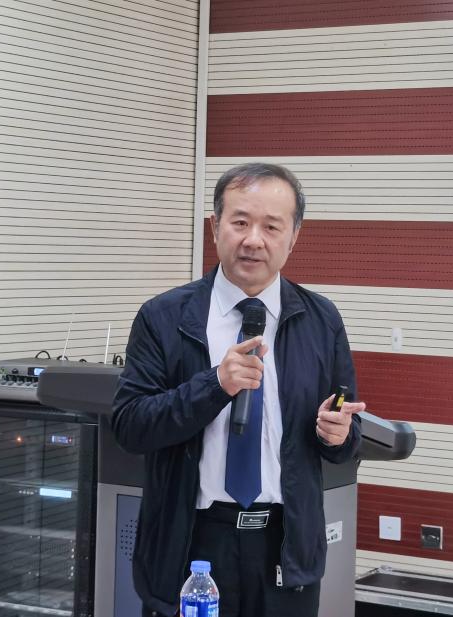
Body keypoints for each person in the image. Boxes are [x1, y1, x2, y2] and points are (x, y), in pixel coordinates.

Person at [111, 162, 365, 617]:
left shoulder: (321, 320)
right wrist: (214, 385)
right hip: (194, 545)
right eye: (240, 222)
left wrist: (339, 435)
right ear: (215, 227)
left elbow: (347, 437)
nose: (253, 240)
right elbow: (130, 426)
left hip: (284, 548)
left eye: (271, 227)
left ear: (294, 236)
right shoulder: (163, 317)